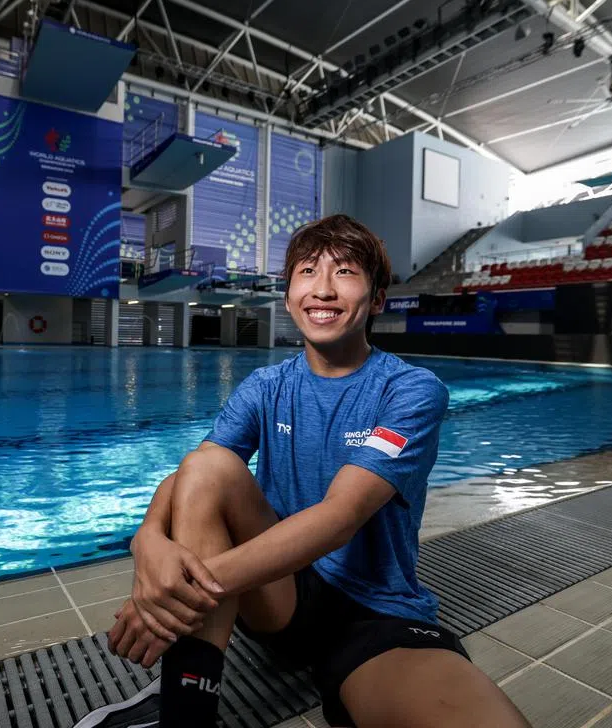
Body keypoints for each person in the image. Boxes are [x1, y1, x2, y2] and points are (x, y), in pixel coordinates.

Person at [75, 215, 532, 728]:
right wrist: (147, 542)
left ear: (377, 299)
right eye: (308, 271)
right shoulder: (266, 386)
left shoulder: (409, 390)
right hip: (278, 593)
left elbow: (341, 516)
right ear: (289, 296)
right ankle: (186, 713)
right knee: (209, 465)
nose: (323, 289)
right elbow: (196, 474)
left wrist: (176, 594)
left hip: (373, 613)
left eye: (345, 272)